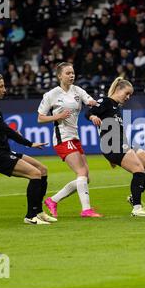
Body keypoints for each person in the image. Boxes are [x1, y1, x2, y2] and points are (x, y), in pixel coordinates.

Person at [0, 73, 56, 225]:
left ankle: (39, 212)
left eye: (4, 86)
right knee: (35, 173)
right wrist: (29, 143)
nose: (4, 89)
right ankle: (30, 215)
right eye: (0, 86)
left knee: (42, 169)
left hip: (4, 151)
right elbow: (4, 128)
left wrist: (8, 134)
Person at [85, 77, 145, 217]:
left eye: (130, 95)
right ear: (118, 89)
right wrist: (92, 118)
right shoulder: (106, 102)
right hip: (112, 145)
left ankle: (134, 196)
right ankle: (137, 208)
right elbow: (89, 112)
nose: (128, 97)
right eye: (126, 93)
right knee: (139, 169)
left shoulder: (116, 108)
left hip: (121, 144)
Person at [38, 62, 102, 218]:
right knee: (81, 172)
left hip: (74, 137)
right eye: (68, 73)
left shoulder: (77, 90)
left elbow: (89, 100)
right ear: (60, 75)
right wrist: (57, 116)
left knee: (85, 177)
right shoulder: (51, 94)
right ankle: (86, 210)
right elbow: (40, 118)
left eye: (73, 73)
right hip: (62, 138)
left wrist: (94, 104)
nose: (71, 75)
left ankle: (53, 200)